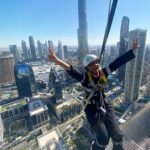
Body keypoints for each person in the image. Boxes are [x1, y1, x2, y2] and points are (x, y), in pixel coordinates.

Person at [48, 39, 138, 150]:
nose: (95, 65)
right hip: (92, 109)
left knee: (118, 136)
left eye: (96, 62)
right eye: (91, 64)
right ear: (87, 68)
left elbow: (117, 63)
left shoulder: (103, 73)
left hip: (105, 105)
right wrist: (57, 60)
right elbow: (71, 69)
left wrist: (132, 51)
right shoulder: (85, 78)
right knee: (103, 139)